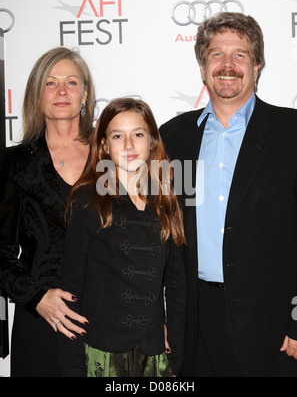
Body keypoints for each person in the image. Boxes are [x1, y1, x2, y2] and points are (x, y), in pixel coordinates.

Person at [159, 12, 297, 377]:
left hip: (274, 323)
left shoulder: (293, 133)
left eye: (239, 54)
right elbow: (155, 232)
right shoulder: (172, 138)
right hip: (195, 323)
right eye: (216, 54)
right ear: (202, 67)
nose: (227, 65)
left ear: (257, 66)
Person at [57, 97, 186, 377]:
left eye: (137, 134)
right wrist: (72, 365)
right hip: (101, 353)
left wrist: (177, 354)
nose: (128, 146)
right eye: (118, 136)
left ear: (151, 141)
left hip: (153, 354)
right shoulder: (87, 201)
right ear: (104, 145)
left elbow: (177, 287)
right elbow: (71, 288)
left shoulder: (166, 201)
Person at [0, 47, 95, 376]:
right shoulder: (14, 164)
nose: (62, 91)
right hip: (41, 322)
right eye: (51, 83)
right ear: (36, 96)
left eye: (71, 82)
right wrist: (37, 297)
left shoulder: (112, 156)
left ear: (85, 94)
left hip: (109, 315)